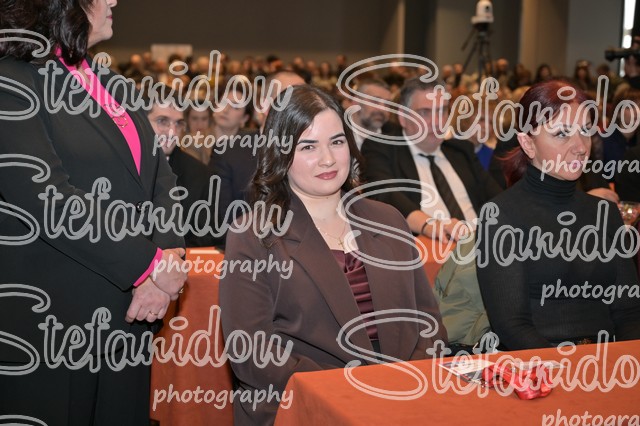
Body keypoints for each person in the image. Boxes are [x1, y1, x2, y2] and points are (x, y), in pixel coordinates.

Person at [0, 0, 188, 423]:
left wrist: (169, 253)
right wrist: (148, 265)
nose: (114, 1)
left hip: (130, 318)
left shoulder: (111, 82)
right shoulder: (13, 79)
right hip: (55, 327)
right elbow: (46, 197)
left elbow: (160, 177)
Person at [219, 85, 447, 425]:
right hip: (305, 406)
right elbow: (251, 352)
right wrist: (347, 395)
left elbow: (429, 324)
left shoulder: (388, 220)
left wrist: (408, 383)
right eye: (308, 146)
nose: (327, 159)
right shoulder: (254, 235)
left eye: (337, 142)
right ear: (281, 153)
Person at [476, 80, 640, 350]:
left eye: (585, 130)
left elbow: (629, 312)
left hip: (607, 360)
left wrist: (622, 362)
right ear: (528, 143)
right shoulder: (501, 216)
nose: (580, 146)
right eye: (562, 133)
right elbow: (512, 326)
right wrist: (569, 367)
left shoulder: (605, 212)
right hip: (539, 364)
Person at [361, 77, 502, 243]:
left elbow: (499, 199)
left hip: (481, 244)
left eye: (442, 111)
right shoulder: (381, 148)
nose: (436, 122)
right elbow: (385, 194)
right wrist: (432, 226)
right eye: (424, 112)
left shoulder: (461, 152)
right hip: (427, 248)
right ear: (403, 118)